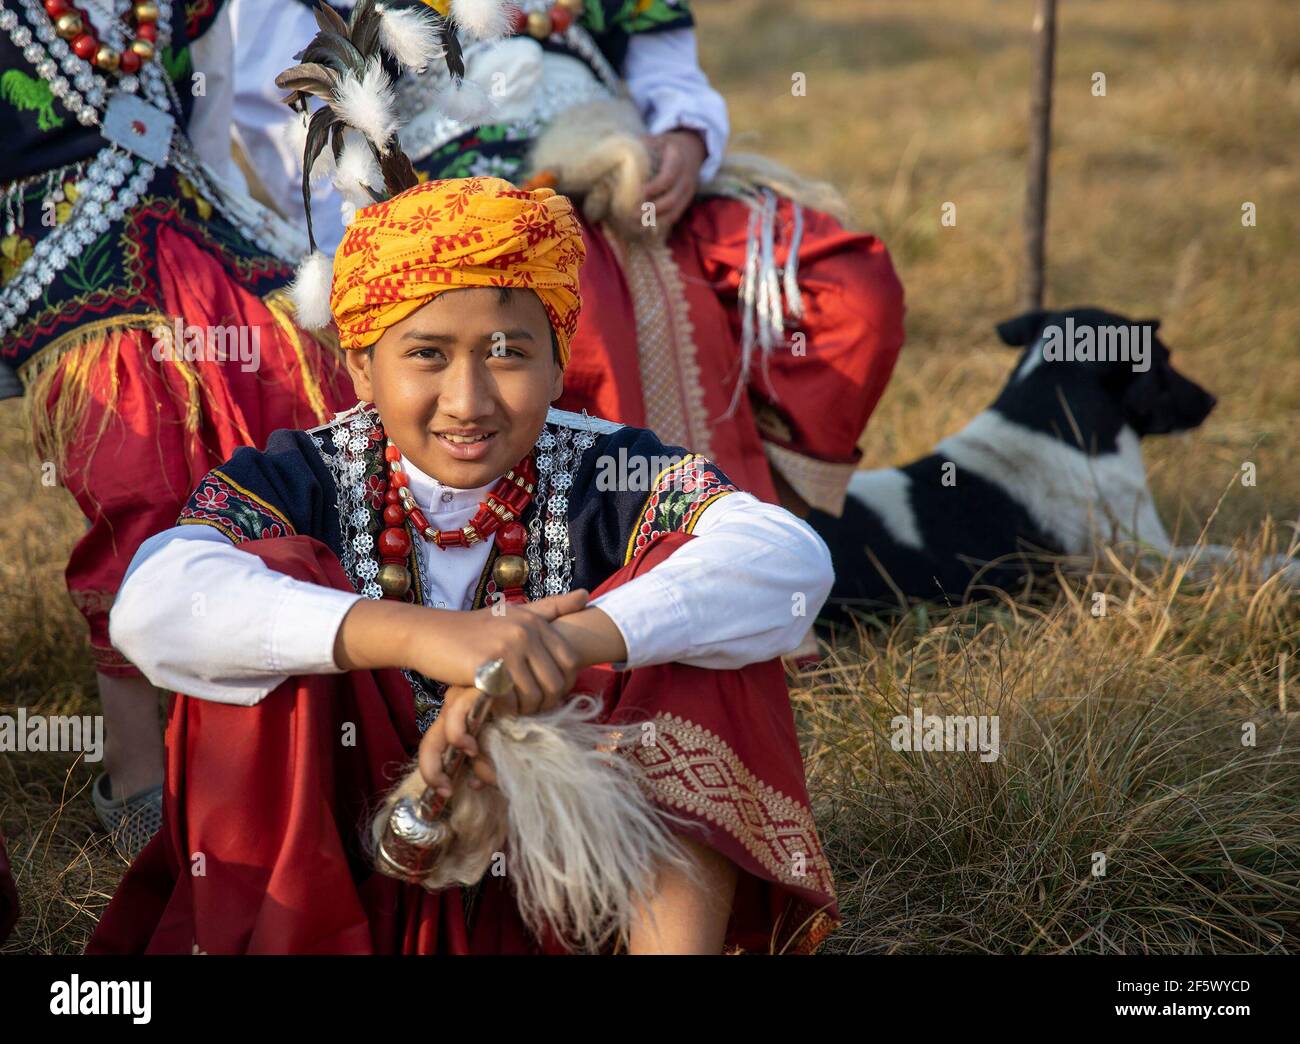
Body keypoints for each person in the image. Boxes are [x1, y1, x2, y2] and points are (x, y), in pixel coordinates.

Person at [88, 174, 840, 955]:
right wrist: (418, 638)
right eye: (427, 355)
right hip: (344, 895)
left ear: (557, 364)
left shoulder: (609, 472)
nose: (468, 400)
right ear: (360, 366)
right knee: (260, 598)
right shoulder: (300, 478)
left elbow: (785, 559)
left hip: (571, 890)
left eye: (508, 353)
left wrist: (564, 645)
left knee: (700, 630)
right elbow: (152, 605)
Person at [230, 0, 906, 518]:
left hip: (630, 171)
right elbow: (286, 112)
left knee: (845, 288)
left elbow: (670, 72)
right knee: (588, 305)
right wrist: (381, 233)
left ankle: (752, 524)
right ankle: (590, 555)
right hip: (451, 207)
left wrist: (685, 137)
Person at [0, 0, 353, 853]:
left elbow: (218, 115)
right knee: (140, 461)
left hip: (190, 219)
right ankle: (136, 771)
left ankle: (286, 726)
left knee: (299, 393)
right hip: (50, 249)